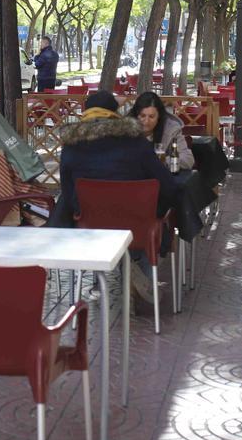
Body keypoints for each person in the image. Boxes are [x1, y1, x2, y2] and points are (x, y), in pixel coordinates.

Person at [50, 91, 179, 304]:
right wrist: (158, 211)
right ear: (114, 114)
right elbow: (165, 184)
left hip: (90, 229)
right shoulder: (135, 142)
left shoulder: (71, 146)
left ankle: (104, 281)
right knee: (152, 218)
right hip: (135, 230)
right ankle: (141, 279)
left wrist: (82, 213)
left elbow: (68, 190)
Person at [128, 91, 194, 171]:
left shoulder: (171, 129)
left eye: (151, 117)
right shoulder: (125, 128)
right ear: (136, 115)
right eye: (142, 116)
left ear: (159, 117)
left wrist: (161, 161)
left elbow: (188, 159)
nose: (146, 121)